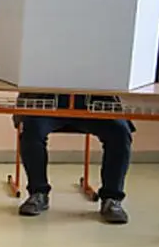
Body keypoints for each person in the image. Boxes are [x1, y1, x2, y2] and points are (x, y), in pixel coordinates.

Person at [16, 93, 133, 224]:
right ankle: (38, 193)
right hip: (47, 103)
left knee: (120, 131)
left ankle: (112, 199)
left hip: (95, 105)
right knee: (31, 129)